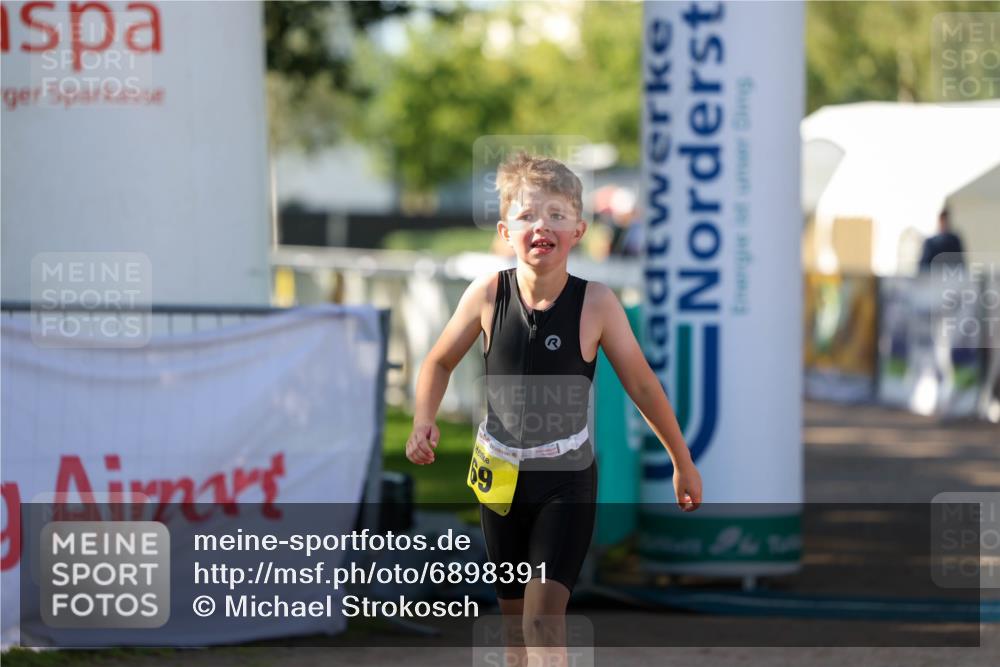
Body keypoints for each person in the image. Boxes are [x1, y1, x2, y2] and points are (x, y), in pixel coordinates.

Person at [405, 152, 702, 666]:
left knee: (544, 622)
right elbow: (437, 361)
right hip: (499, 477)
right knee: (514, 630)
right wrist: (422, 421)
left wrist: (682, 460)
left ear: (579, 229)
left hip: (565, 479)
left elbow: (644, 386)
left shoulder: (597, 303)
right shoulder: (486, 294)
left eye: (556, 215)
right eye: (527, 215)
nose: (542, 225)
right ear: (505, 230)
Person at [918, 206, 965, 272]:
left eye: (946, 221)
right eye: (942, 220)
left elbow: (961, 264)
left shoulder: (954, 241)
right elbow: (923, 266)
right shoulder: (930, 243)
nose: (944, 224)